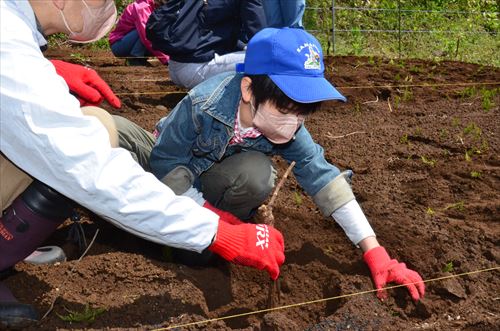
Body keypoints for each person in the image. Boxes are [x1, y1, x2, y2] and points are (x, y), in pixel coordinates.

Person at [0, 1, 284, 328]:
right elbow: (93, 172)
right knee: (74, 156)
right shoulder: (8, 48)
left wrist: (48, 69)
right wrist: (217, 232)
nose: (109, 7)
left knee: (96, 125)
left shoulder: (12, 32)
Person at [107, 27, 426, 303]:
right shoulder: (203, 105)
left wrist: (375, 252)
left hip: (206, 185)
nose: (294, 123)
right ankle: (125, 230)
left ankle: (194, 249)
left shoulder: (287, 128)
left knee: (256, 174)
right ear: (248, 90)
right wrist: (229, 226)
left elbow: (322, 176)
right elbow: (166, 168)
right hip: (166, 169)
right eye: (285, 109)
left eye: (302, 113)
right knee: (112, 130)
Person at [145, 0, 266, 89]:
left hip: (175, 68)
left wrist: (243, 47)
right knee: (269, 60)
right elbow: (260, 39)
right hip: (198, 70)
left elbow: (211, 33)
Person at [109, 0, 169, 66]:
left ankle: (140, 59)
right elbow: (146, 35)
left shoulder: (154, 6)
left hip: (129, 42)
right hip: (119, 46)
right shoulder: (142, 7)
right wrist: (165, 59)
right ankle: (135, 58)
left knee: (156, 32)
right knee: (148, 31)